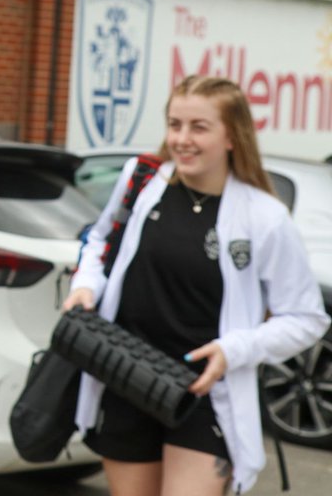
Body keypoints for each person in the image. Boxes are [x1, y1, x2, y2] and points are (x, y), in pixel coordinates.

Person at [64, 75, 330, 495]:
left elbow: (306, 318)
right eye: (175, 124)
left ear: (232, 136)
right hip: (125, 377)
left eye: (199, 127)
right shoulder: (142, 180)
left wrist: (233, 350)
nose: (182, 139)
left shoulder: (264, 217)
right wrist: (86, 286)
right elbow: (99, 241)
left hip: (205, 396)